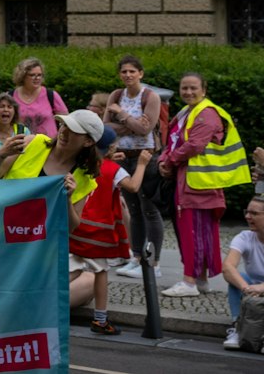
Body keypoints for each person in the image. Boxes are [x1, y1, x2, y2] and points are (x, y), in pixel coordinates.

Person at [159, 72, 245, 296]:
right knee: (200, 233)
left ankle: (189, 282)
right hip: (193, 182)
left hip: (199, 184)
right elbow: (173, 140)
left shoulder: (206, 113)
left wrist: (169, 161)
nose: (188, 92)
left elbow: (194, 145)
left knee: (194, 233)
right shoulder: (188, 112)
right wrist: (164, 160)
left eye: (193, 88)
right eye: (184, 88)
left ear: (204, 90)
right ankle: (200, 280)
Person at [70, 137, 148, 336]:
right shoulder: (114, 169)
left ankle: (40, 304)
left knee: (71, 269)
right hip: (99, 231)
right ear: (111, 147)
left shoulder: (79, 163)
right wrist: (141, 164)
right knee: (101, 272)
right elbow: (133, 186)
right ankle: (101, 319)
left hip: (76, 225)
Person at [103, 55, 164, 276]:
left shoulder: (150, 97)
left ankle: (154, 263)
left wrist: (121, 114)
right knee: (134, 210)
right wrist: (133, 125)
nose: (128, 75)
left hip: (145, 157)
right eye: (124, 72)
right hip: (122, 155)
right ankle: (136, 257)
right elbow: (105, 127)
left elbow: (146, 130)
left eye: (132, 71)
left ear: (141, 73)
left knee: (149, 209)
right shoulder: (116, 95)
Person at [224, 194, 264, 351]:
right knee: (236, 279)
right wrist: (245, 287)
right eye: (247, 212)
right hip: (252, 288)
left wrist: (261, 288)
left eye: (254, 213)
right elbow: (228, 267)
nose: (248, 216)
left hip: (260, 287)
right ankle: (237, 326)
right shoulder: (245, 237)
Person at [10, 57, 67, 140]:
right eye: (32, 75)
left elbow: (65, 122)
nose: (37, 78)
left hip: (48, 146)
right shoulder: (11, 96)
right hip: (21, 146)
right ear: (22, 76)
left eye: (39, 75)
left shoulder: (51, 95)